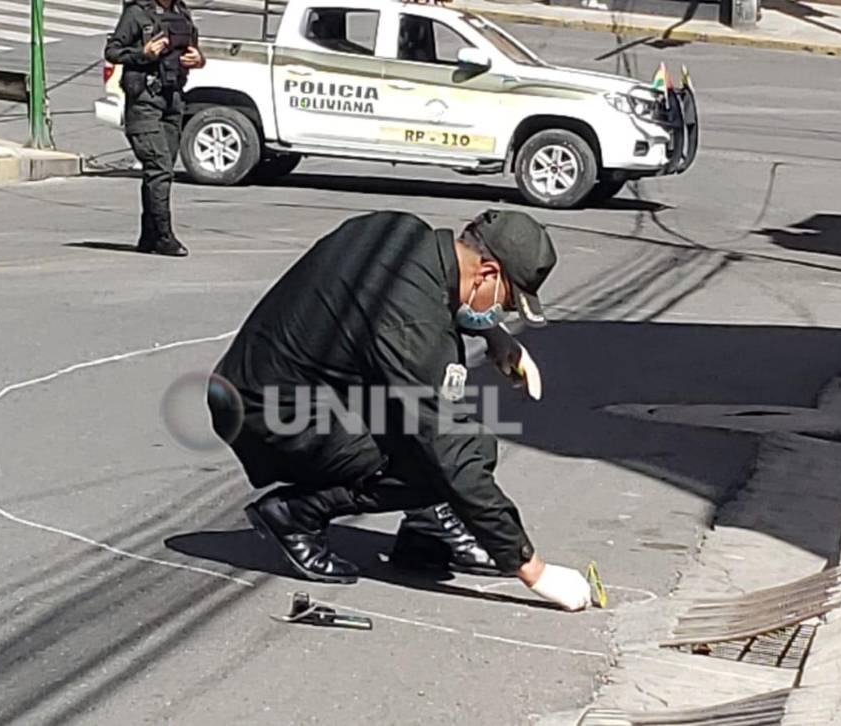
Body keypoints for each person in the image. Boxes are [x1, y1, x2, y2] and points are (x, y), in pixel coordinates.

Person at [209, 209, 593, 611]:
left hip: (264, 383)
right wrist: (533, 570)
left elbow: (415, 298)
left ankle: (428, 529)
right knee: (448, 455)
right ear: (487, 274)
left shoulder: (403, 234)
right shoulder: (412, 325)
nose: (502, 314)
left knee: (437, 431)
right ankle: (295, 513)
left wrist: (492, 334)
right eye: (506, 305)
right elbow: (449, 448)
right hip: (271, 413)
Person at [105, 0, 205, 257]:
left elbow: (193, 50)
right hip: (144, 102)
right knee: (159, 168)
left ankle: (149, 235)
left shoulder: (181, 12)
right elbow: (112, 51)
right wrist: (144, 54)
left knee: (162, 170)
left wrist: (198, 59)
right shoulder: (137, 13)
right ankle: (163, 236)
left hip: (172, 99)